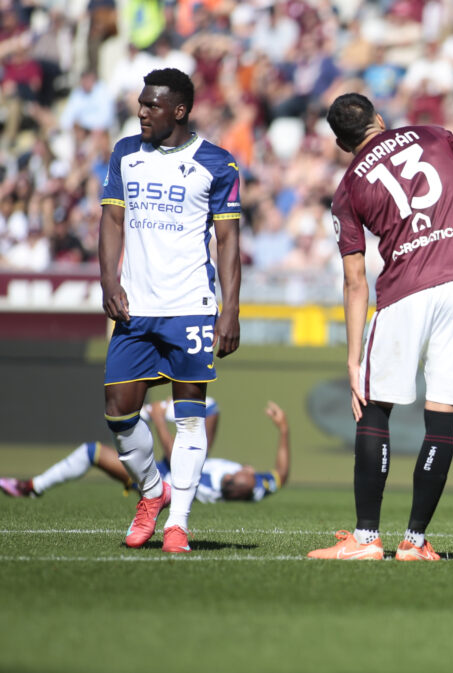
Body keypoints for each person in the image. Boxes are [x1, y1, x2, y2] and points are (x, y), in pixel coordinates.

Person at [307, 93, 453, 562]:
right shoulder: (437, 135)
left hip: (405, 291)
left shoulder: (347, 189)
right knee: (442, 417)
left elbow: (355, 280)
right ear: (379, 118)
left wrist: (353, 359)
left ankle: (366, 538)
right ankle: (414, 542)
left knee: (374, 410)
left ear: (341, 143)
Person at [98, 68, 241, 554]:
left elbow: (228, 241)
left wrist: (230, 308)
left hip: (191, 307)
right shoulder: (125, 153)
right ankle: (152, 491)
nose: (141, 111)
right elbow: (112, 219)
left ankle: (177, 523)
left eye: (151, 105)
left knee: (189, 419)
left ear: (179, 110)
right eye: (140, 103)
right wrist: (109, 280)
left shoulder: (218, 164)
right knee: (118, 411)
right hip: (135, 307)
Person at [1, 400, 290, 504]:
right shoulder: (256, 486)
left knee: (92, 452)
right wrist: (284, 429)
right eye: (238, 476)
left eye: (232, 482)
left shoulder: (212, 485)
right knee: (210, 406)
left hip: (159, 476)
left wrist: (161, 424)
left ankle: (32, 486)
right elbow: (281, 475)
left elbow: (179, 462)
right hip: (176, 464)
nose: (235, 476)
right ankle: (160, 412)